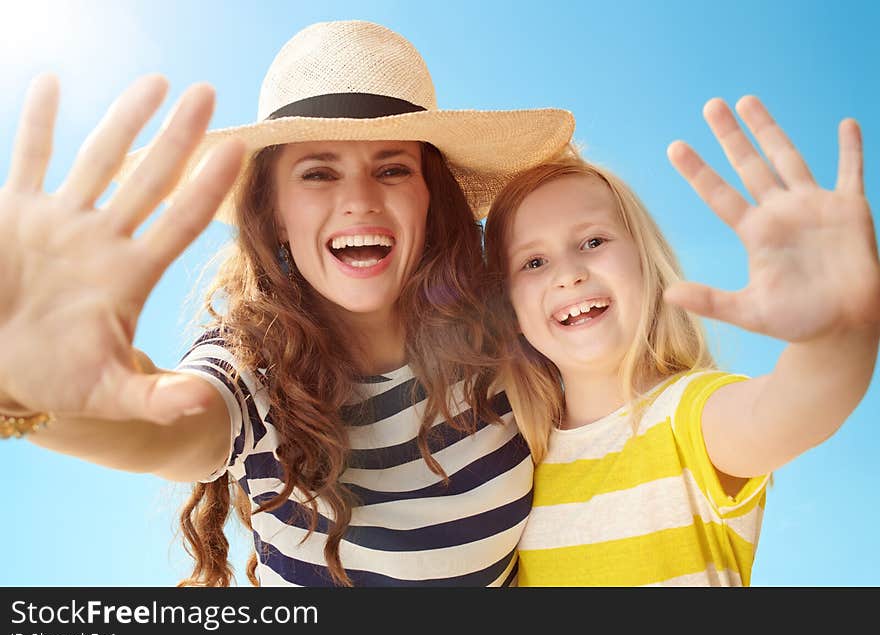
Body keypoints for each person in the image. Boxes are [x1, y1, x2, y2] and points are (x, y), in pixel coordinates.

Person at [0, 20, 574, 586]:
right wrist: (25, 390)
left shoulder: (513, 333)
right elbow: (166, 423)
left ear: (431, 197)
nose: (359, 200)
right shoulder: (253, 368)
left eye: (393, 168)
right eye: (318, 173)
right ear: (273, 213)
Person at [483, 96, 880, 586]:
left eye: (593, 241)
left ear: (646, 262)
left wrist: (837, 336)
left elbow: (795, 405)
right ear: (510, 311)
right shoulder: (521, 468)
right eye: (534, 262)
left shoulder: (691, 415)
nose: (569, 274)